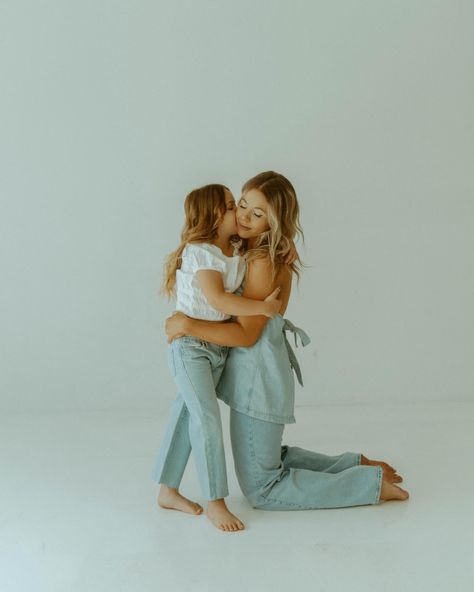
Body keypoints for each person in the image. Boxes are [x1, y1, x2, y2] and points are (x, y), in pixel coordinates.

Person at [164, 171, 409, 515]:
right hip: (258, 371)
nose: (245, 217)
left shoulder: (261, 260)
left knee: (263, 488)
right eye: (242, 205)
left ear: (274, 221)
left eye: (258, 213)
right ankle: (353, 464)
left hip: (257, 376)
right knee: (267, 458)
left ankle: (368, 486)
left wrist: (187, 324)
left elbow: (247, 334)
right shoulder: (251, 250)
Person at [152, 183, 282, 532]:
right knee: (206, 420)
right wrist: (263, 308)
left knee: (185, 413)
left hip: (216, 350)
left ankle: (167, 491)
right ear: (212, 215)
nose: (237, 214)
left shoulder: (234, 253)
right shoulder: (201, 253)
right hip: (191, 349)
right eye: (230, 207)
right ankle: (215, 501)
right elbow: (219, 302)